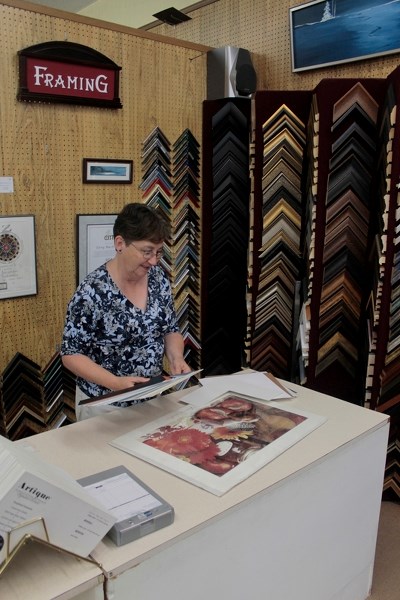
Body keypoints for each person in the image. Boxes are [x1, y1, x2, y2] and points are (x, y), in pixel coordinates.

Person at [61, 202, 191, 420]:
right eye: (147, 251)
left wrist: (176, 358)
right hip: (106, 405)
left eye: (159, 252)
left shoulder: (158, 279)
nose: (153, 260)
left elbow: (170, 329)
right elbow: (71, 354)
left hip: (152, 398)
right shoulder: (93, 291)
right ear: (120, 243)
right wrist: (116, 383)